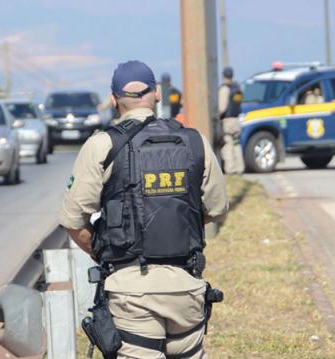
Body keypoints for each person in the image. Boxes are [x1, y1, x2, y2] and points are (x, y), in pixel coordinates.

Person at [60, 60, 228, 359]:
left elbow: (74, 221)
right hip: (186, 290)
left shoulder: (101, 146)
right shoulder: (194, 141)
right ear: (158, 94)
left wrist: (106, 252)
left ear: (114, 100)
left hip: (130, 293)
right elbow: (216, 208)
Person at [217, 66, 245, 175]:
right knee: (236, 144)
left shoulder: (225, 89)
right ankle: (240, 168)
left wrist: (217, 115)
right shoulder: (238, 89)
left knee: (227, 145)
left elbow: (222, 108)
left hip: (227, 121)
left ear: (224, 76)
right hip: (236, 120)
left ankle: (230, 169)